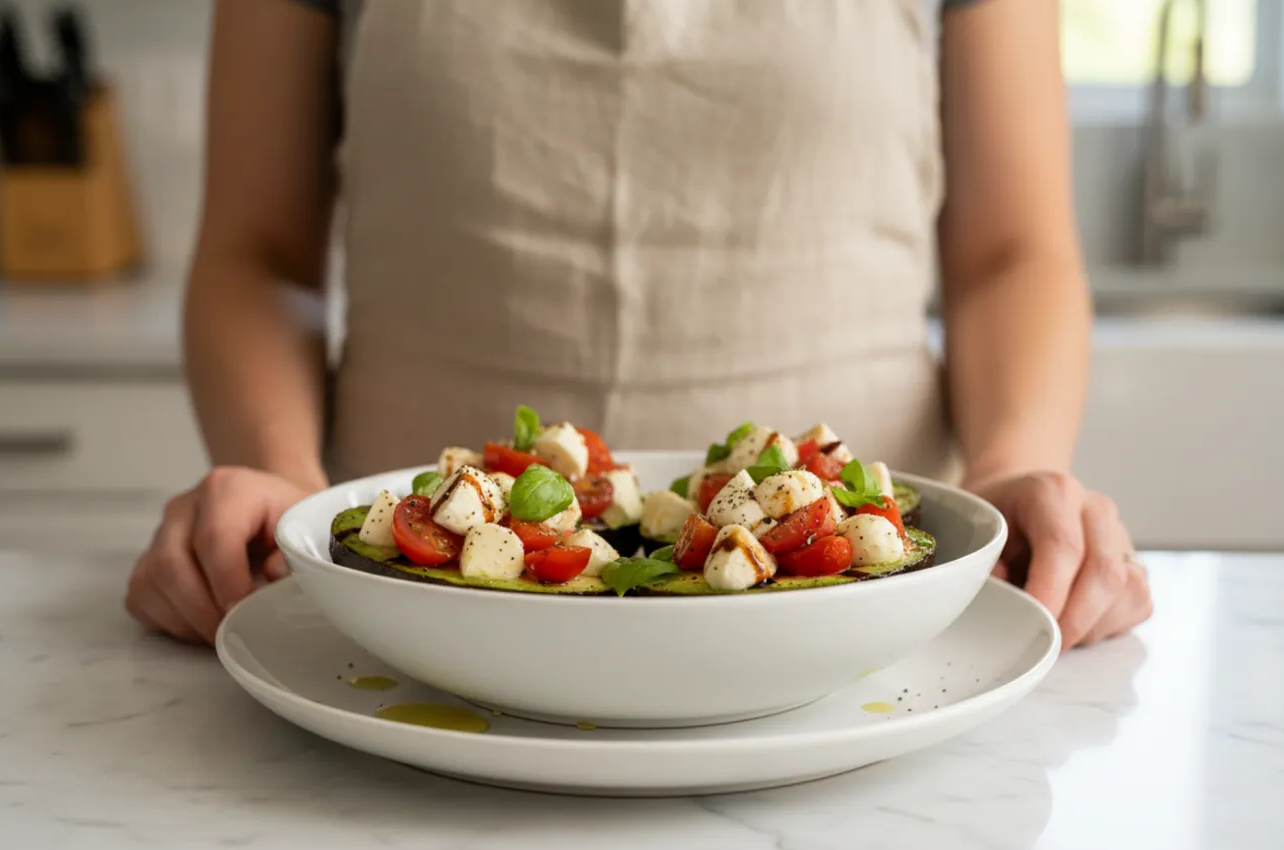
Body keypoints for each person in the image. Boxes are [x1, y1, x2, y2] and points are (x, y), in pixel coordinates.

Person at [125, 0, 1153, 650]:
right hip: (415, 614)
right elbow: (258, 252)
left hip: (849, 621)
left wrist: (1011, 465)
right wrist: (284, 490)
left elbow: (1009, 252)